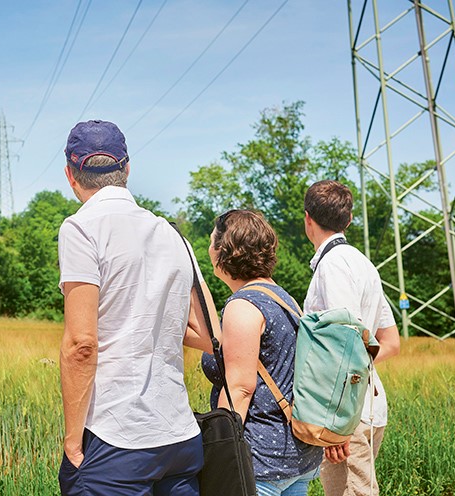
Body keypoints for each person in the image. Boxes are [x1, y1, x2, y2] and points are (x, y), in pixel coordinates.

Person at [56, 120, 218, 496]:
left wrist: (73, 442)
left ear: (70, 175)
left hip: (117, 438)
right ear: (127, 169)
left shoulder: (81, 228)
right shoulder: (172, 233)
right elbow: (211, 336)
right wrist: (147, 321)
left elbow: (82, 344)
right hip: (179, 438)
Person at [201, 209, 324, 496]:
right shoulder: (284, 298)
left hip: (259, 462)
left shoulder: (243, 305)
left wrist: (218, 455)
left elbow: (240, 388)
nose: (208, 249)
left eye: (211, 242)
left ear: (223, 251)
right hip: (297, 457)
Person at [302, 180, 401, 496]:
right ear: (349, 219)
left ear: (308, 219)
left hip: (349, 415)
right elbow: (391, 342)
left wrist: (338, 425)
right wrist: (361, 370)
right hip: (369, 406)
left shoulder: (334, 265)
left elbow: (344, 346)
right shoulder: (363, 264)